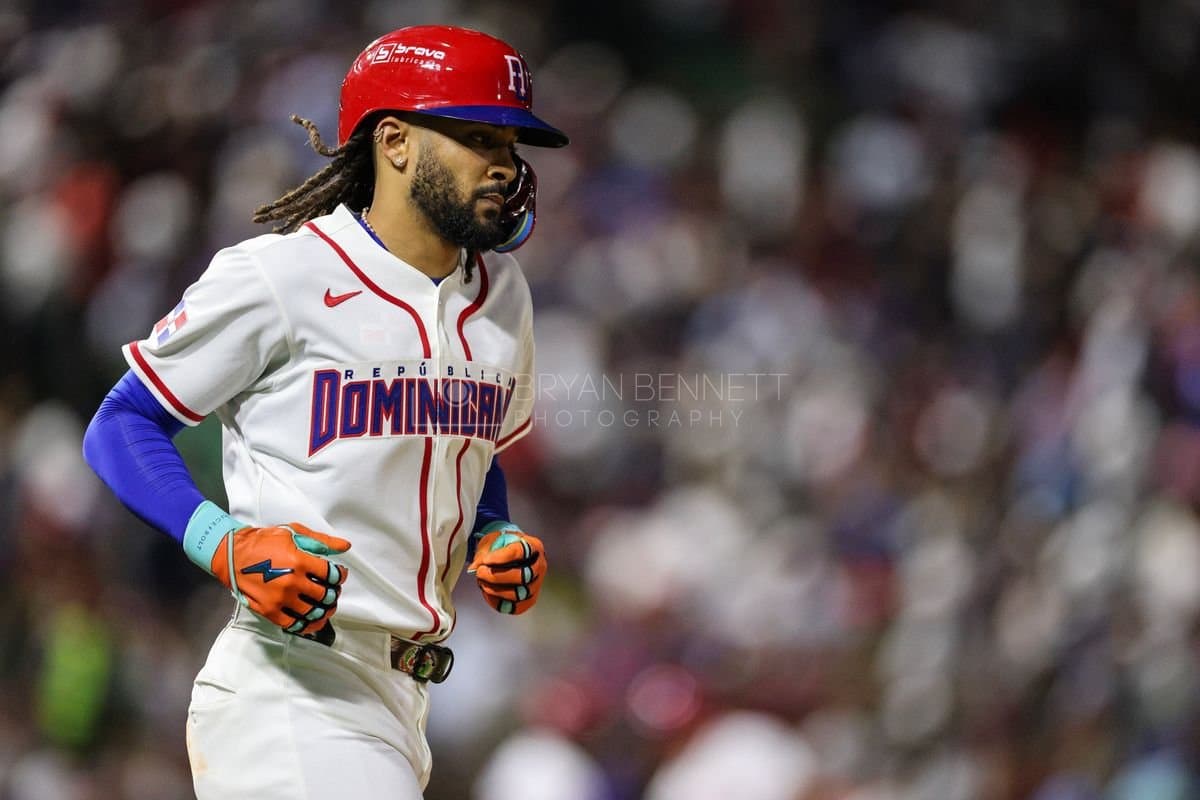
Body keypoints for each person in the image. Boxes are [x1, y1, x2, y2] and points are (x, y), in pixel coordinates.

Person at [82, 25, 567, 798]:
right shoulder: (283, 275)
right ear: (396, 141)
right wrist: (223, 543)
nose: (504, 163)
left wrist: (492, 530)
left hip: (403, 703)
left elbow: (472, 452)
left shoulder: (503, 296)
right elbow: (121, 424)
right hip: (291, 684)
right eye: (478, 135)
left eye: (511, 141)